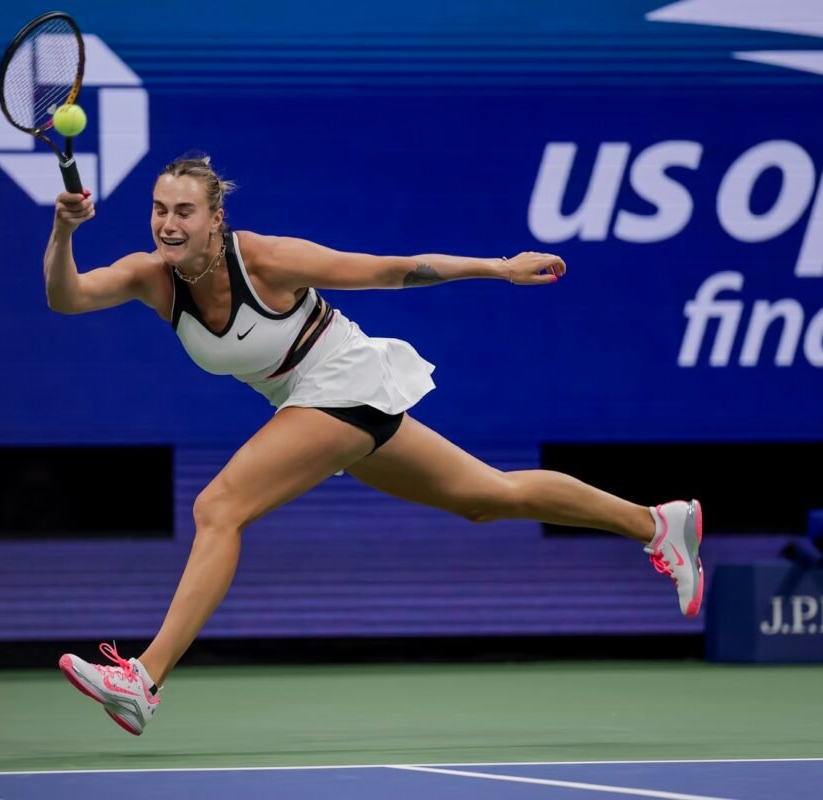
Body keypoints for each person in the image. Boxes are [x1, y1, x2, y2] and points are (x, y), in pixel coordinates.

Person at [46, 155, 703, 737]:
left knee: (220, 507)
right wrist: (65, 230)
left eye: (185, 210)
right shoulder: (150, 277)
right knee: (487, 497)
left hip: (342, 378)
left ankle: (145, 679)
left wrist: (499, 269)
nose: (169, 222)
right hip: (308, 399)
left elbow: (394, 271)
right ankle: (657, 524)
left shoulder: (269, 259)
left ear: (216, 218)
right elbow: (67, 298)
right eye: (160, 209)